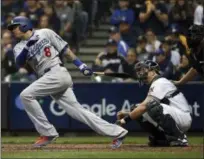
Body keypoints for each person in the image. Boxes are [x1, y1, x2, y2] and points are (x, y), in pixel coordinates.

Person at [7, 16, 128, 148]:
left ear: (24, 25)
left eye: (15, 27)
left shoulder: (45, 32)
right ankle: (118, 132)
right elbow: (20, 63)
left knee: (26, 95)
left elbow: (65, 50)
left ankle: (48, 133)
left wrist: (81, 65)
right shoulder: (18, 47)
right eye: (12, 28)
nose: (13, 30)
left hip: (57, 72)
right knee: (78, 112)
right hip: (48, 77)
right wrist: (27, 46)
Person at [116, 60, 192, 147]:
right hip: (173, 115)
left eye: (143, 70)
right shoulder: (157, 82)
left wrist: (123, 120)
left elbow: (144, 107)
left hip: (182, 117)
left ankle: (180, 138)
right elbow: (141, 109)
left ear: (152, 72)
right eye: (139, 71)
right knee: (135, 109)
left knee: (151, 106)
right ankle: (161, 138)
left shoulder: (159, 82)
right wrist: (126, 114)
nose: (140, 73)